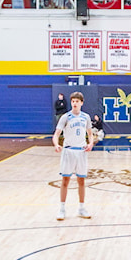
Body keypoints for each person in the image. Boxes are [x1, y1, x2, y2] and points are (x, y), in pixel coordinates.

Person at [52, 92, 92, 221]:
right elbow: (56, 134)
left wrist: (90, 143)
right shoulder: (65, 117)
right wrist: (56, 144)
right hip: (68, 151)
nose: (75, 103)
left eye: (77, 101)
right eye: (73, 101)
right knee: (65, 180)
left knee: (81, 181)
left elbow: (90, 134)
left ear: (81, 103)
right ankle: (62, 209)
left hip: (81, 151)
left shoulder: (86, 117)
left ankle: (81, 208)